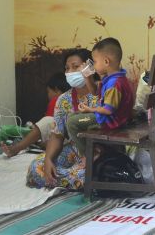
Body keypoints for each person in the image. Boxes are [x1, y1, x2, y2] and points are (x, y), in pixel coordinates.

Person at [26, 49, 100, 189]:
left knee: (83, 175)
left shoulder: (102, 92)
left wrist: (93, 156)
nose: (70, 72)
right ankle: (70, 180)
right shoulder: (63, 99)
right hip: (74, 150)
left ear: (89, 67)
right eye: (67, 68)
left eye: (75, 66)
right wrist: (48, 159)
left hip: (98, 151)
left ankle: (73, 179)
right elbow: (57, 136)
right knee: (37, 168)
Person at [68, 37, 135, 156]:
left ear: (106, 62)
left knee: (72, 123)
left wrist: (90, 109)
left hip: (111, 121)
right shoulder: (113, 78)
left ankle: (88, 156)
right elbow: (94, 92)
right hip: (114, 118)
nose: (94, 65)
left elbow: (108, 110)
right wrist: (87, 77)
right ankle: (94, 152)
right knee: (73, 115)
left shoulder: (114, 84)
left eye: (95, 62)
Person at [0, 72, 70, 157]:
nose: (47, 95)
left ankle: (16, 148)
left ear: (56, 90)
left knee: (46, 124)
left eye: (48, 91)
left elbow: (48, 125)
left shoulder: (56, 100)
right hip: (66, 137)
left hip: (63, 139)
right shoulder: (69, 98)